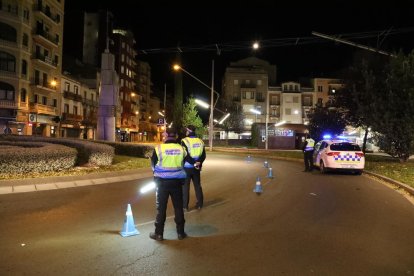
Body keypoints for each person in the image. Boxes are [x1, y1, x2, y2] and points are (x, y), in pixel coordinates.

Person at [150, 128, 188, 241]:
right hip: (177, 183)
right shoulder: (182, 149)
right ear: (176, 136)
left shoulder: (159, 148)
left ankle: (159, 234)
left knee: (161, 209)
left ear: (166, 135)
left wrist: (156, 174)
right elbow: (184, 162)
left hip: (162, 183)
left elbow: (153, 164)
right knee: (178, 208)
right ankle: (180, 233)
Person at [181, 125, 206, 211]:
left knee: (185, 187)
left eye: (186, 130)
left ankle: (185, 206)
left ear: (189, 131)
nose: (185, 132)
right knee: (197, 185)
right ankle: (200, 204)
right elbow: (203, 155)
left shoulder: (184, 141)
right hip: (197, 167)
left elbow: (185, 155)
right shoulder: (200, 141)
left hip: (187, 167)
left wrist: (193, 163)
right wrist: (198, 162)